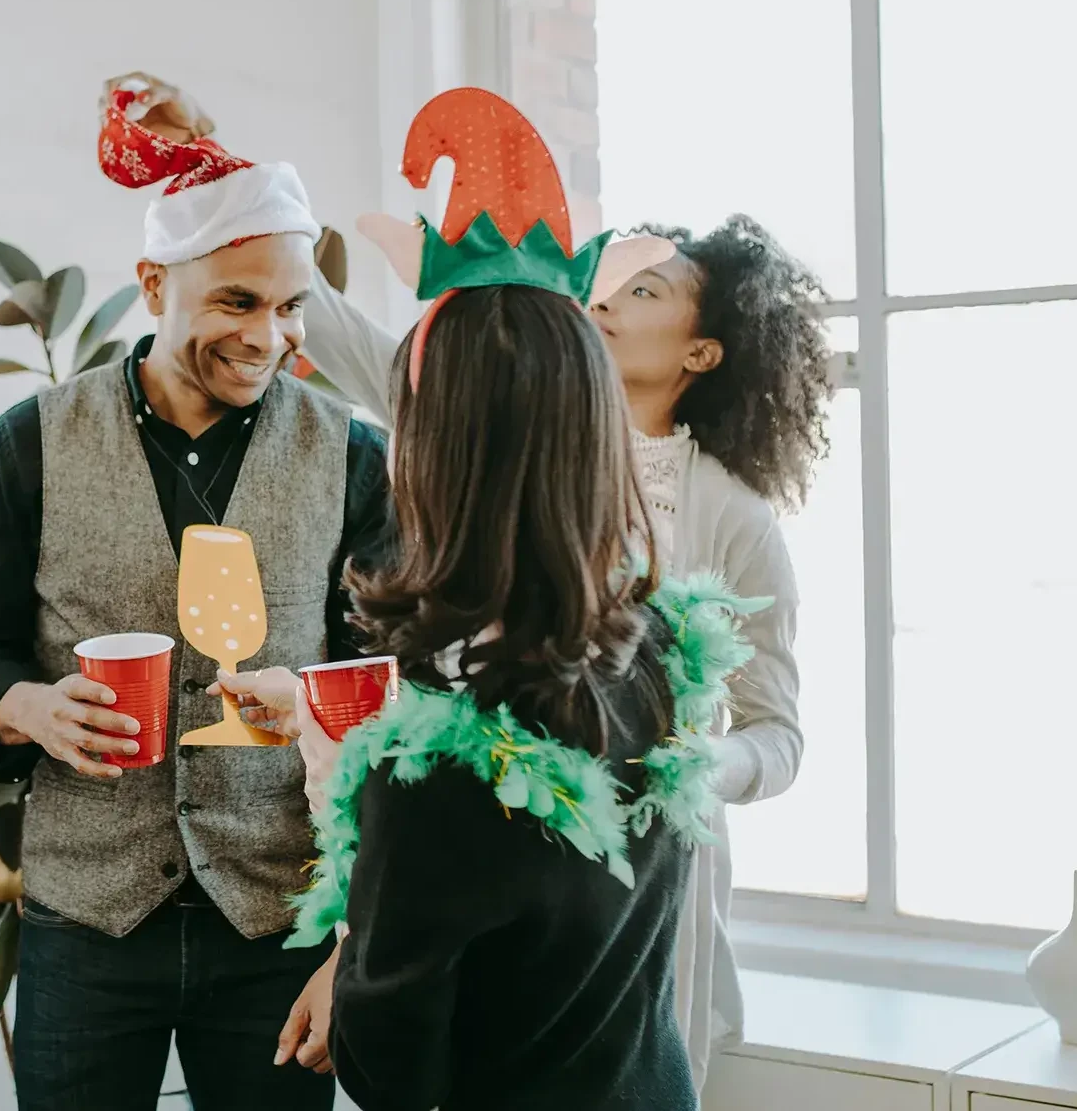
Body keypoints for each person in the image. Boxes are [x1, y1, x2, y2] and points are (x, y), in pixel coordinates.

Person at [263, 85, 769, 1106]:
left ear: (431, 452)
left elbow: (387, 1065)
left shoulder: (431, 778)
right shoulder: (662, 663)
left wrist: (341, 770)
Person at [0, 80, 390, 1110]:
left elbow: (387, 696)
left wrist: (352, 934)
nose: (267, 338)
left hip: (277, 922)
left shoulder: (351, 456)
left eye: (288, 308)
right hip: (86, 924)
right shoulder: (30, 442)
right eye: (235, 302)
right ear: (152, 285)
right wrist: (28, 707)